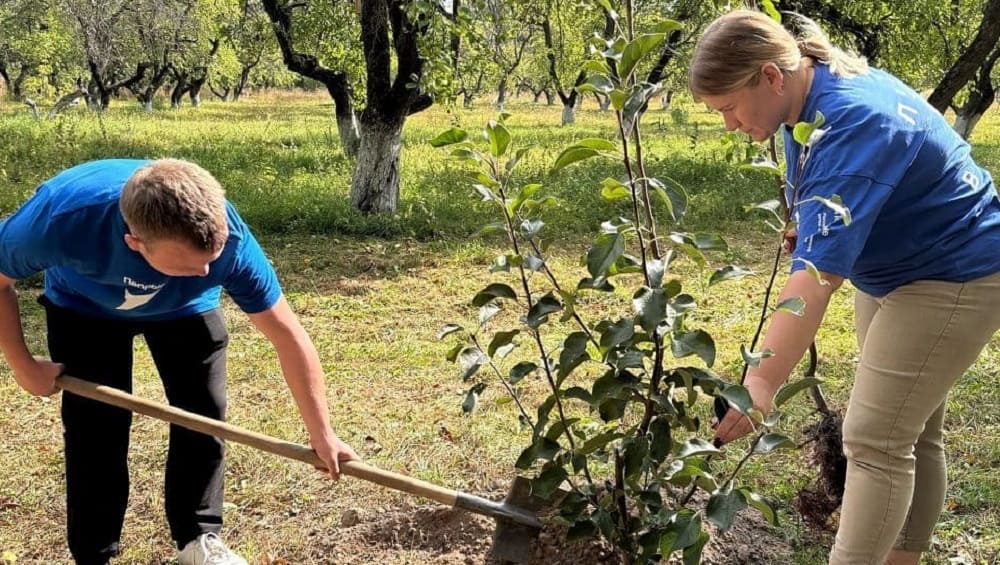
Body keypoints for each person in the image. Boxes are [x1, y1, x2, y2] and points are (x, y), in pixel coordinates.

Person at [689, 10, 1000, 565]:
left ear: (769, 76)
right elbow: (835, 198)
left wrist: (759, 382)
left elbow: (813, 282)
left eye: (729, 108)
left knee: (875, 440)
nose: (729, 125)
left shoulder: (851, 121)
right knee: (912, 429)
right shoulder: (805, 100)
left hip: (955, 272)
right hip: (893, 267)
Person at [0, 158, 360, 565]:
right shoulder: (62, 219)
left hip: (186, 310)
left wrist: (322, 432)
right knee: (95, 429)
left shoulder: (232, 245)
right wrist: (23, 365)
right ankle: (94, 553)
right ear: (135, 242)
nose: (208, 270)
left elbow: (287, 335)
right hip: (84, 307)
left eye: (212, 258)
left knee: (203, 416)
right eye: (189, 265)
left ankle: (198, 539)